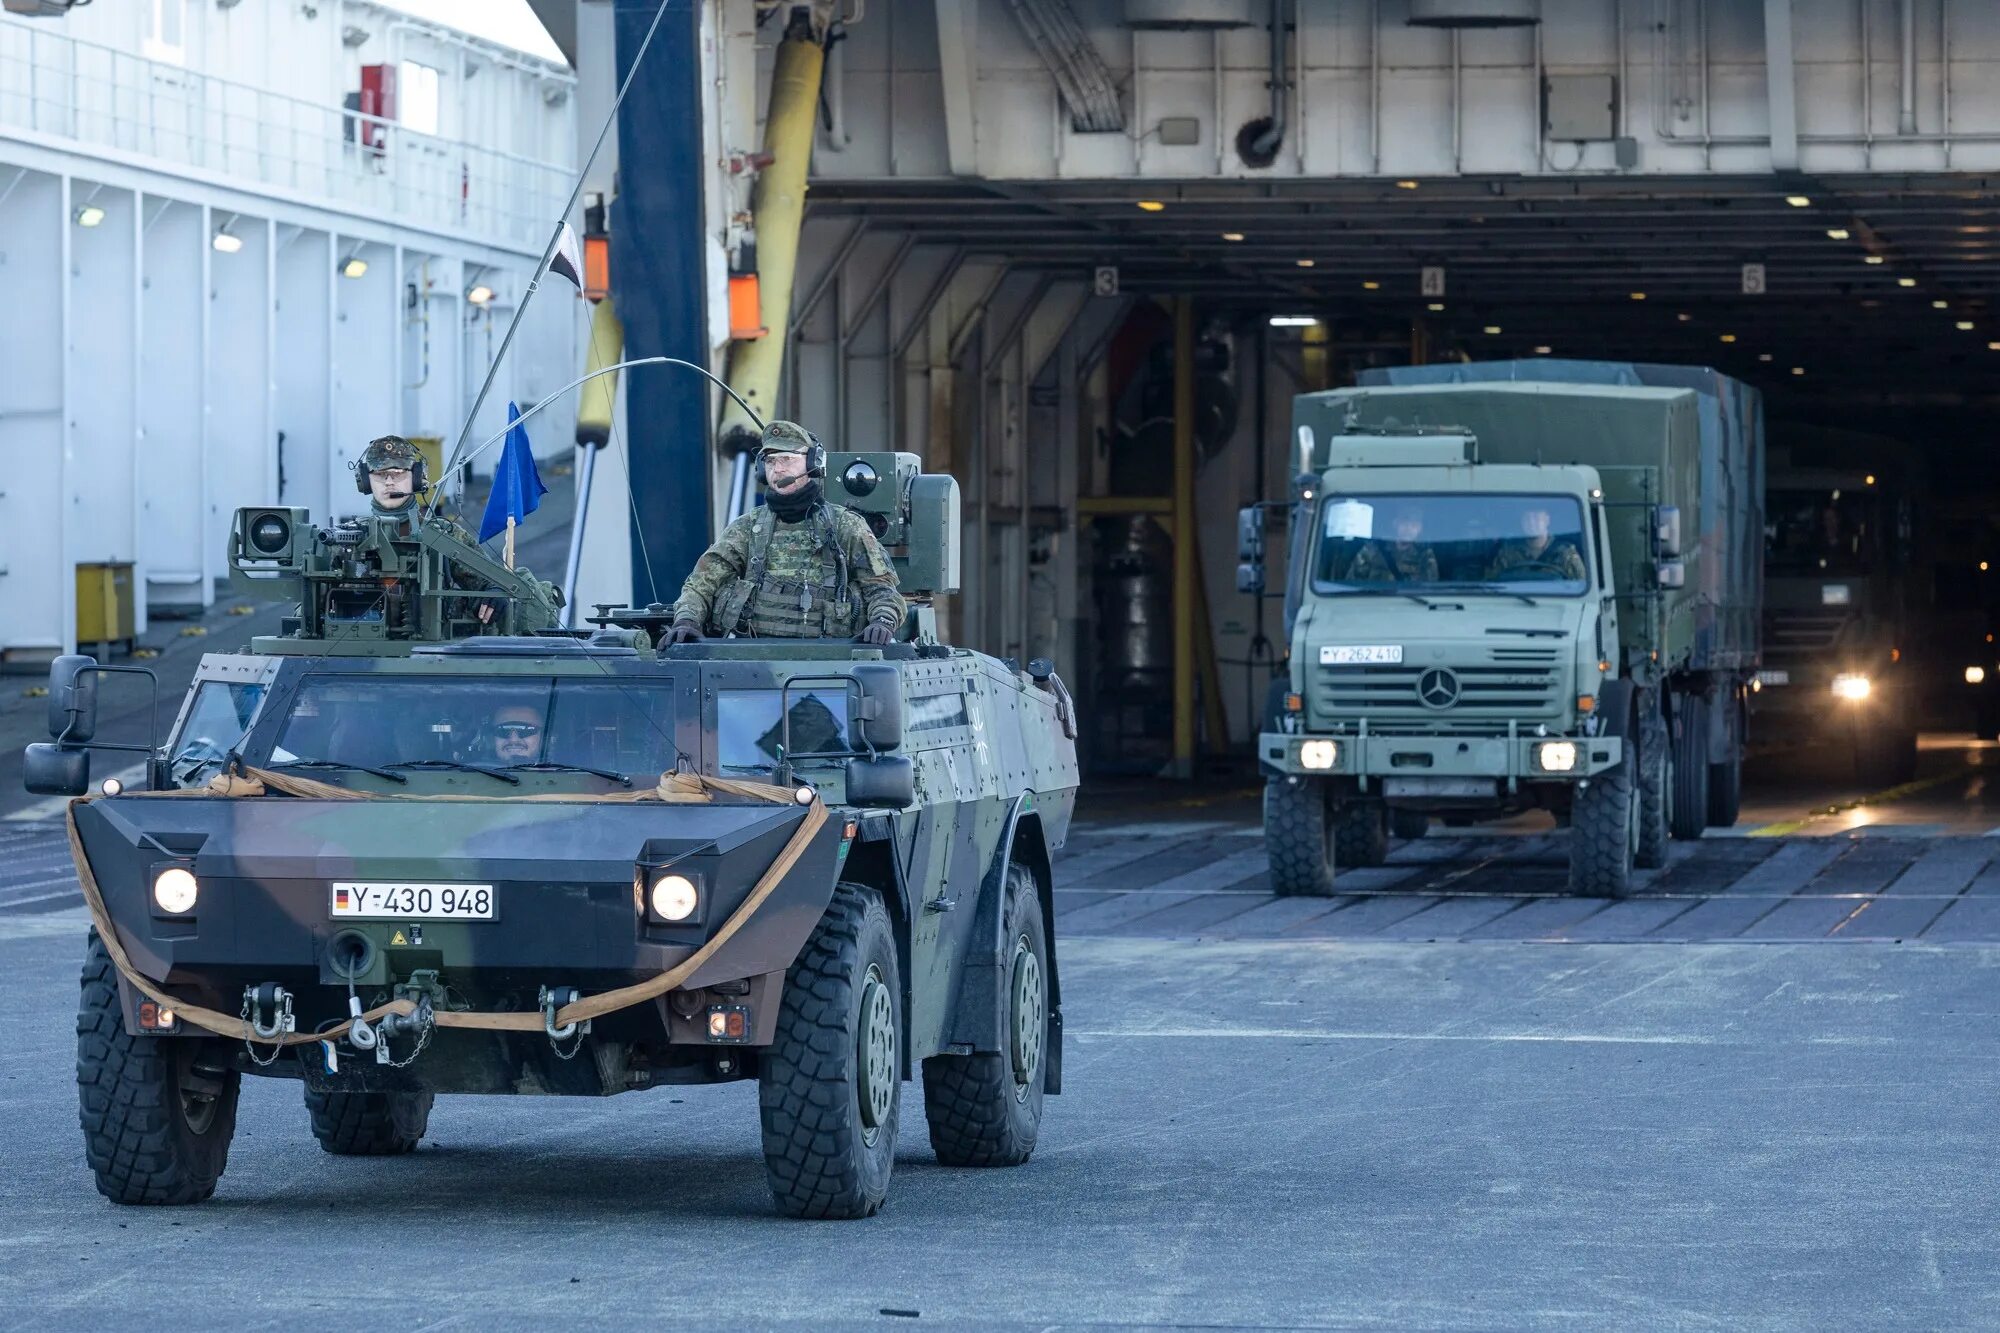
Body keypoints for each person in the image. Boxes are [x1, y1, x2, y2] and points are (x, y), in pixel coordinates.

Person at [668, 421, 907, 644]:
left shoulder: (845, 526)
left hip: (831, 660)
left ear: (812, 463)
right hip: (754, 659)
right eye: (771, 461)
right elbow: (702, 583)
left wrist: (882, 621)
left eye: (787, 459)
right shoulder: (747, 528)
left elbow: (881, 588)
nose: (778, 469)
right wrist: (687, 619)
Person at [355, 434, 502, 624]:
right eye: (380, 475)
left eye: (398, 473)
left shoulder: (443, 534)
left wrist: (494, 594)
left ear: (417, 478)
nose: (389, 482)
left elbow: (490, 581)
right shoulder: (350, 538)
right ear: (365, 482)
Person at [1486, 505, 1587, 581]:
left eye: (1536, 518)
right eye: (1527, 518)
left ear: (1547, 520)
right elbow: (1492, 585)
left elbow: (1581, 586)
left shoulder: (1565, 555)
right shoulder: (1508, 554)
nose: (1531, 523)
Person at [1348, 505, 1439, 583]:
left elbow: (1429, 590)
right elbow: (1352, 583)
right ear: (1395, 523)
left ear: (1420, 529)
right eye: (1404, 522)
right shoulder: (1373, 549)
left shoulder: (1425, 555)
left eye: (1414, 525)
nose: (1408, 528)